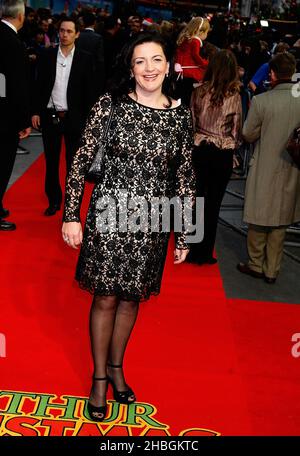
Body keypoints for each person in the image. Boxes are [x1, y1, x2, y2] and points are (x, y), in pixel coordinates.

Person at [62, 32, 196, 422]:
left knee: (131, 300)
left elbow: (186, 176)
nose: (149, 68)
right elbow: (80, 159)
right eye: (141, 61)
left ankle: (118, 368)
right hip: (109, 216)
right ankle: (100, 378)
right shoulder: (112, 105)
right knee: (105, 297)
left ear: (169, 65)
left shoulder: (180, 113)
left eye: (156, 60)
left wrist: (187, 232)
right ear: (131, 67)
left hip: (152, 222)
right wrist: (71, 214)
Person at [237, 52, 300, 284]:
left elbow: (248, 133)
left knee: (258, 217)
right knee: (281, 220)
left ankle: (255, 263)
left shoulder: (263, 101)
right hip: (292, 167)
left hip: (264, 164)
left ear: (272, 73)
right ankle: (272, 269)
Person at [31, 17, 95, 216]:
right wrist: (35, 111)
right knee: (51, 162)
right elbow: (38, 85)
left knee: (73, 164)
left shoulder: (86, 58)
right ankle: (54, 200)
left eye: (69, 31)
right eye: (61, 31)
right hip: (50, 116)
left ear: (77, 34)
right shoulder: (47, 55)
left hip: (74, 118)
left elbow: (90, 92)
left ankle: (71, 205)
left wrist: (88, 119)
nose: (64, 35)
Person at [189, 49, 242, 264]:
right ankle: (204, 253)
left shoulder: (198, 92)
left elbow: (191, 123)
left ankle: (191, 249)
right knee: (213, 204)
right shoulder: (235, 97)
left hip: (199, 149)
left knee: (196, 200)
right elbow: (237, 131)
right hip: (222, 154)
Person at [0, 0, 31, 231]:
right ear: (20, 17)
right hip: (5, 117)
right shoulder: (14, 43)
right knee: (2, 165)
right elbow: (17, 87)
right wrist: (23, 120)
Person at [175, 16, 210, 105]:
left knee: (182, 96)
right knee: (189, 98)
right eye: (206, 32)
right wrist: (206, 63)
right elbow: (196, 57)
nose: (207, 35)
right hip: (190, 72)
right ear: (200, 32)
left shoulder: (186, 39)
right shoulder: (195, 41)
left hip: (182, 71)